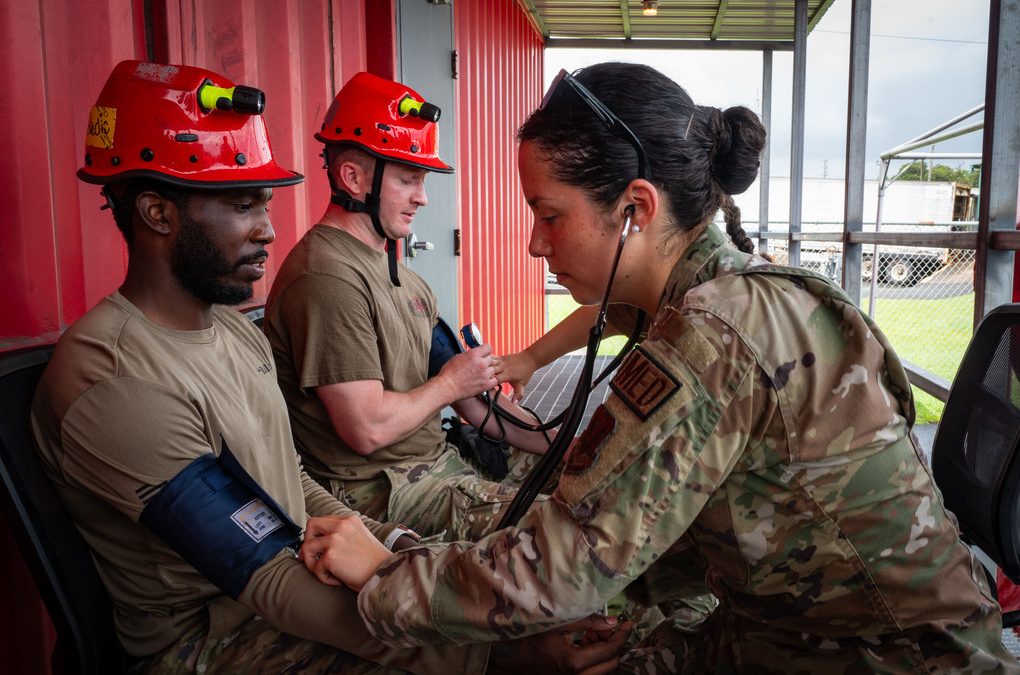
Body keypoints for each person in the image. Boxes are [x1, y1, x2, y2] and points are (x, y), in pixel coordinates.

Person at [299, 62, 1019, 672]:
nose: (533, 246)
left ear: (635, 209)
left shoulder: (709, 338)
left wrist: (384, 574)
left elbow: (562, 569)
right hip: (793, 624)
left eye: (549, 216)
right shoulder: (726, 298)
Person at [30, 60, 627, 675]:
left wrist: (398, 548)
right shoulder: (113, 378)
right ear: (158, 213)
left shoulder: (236, 332)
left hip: (292, 571)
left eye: (264, 202)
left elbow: (291, 484)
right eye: (242, 205)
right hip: (215, 637)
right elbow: (259, 569)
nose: (267, 230)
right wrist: (487, 652)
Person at [263, 72, 552, 542]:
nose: (422, 197)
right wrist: (450, 382)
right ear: (352, 178)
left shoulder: (404, 277)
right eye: (408, 179)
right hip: (383, 489)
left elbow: (470, 399)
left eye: (421, 180)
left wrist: (560, 445)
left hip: (437, 462)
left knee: (588, 484)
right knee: (559, 533)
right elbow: (367, 429)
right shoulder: (327, 278)